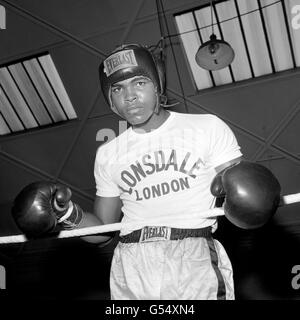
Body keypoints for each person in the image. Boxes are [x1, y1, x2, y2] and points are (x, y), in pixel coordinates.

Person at [11, 44, 281, 300]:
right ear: (111, 102)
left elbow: (247, 190)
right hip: (130, 261)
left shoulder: (206, 127)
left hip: (192, 254)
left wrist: (253, 195)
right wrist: (66, 213)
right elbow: (103, 231)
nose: (129, 96)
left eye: (139, 83)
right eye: (117, 89)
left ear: (157, 85)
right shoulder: (108, 154)